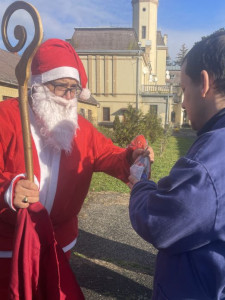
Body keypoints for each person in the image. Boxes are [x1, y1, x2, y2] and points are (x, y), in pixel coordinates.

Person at [128, 31, 225, 299]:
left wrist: (141, 186)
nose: (183, 103)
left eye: (184, 89)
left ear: (205, 83)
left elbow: (159, 223)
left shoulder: (212, 159)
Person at [0, 38, 152, 298]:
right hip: (11, 243)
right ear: (39, 84)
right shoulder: (7, 118)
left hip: (59, 241)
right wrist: (7, 190)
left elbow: (107, 154)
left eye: (75, 89)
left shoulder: (80, 128)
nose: (70, 98)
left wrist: (131, 157)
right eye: (62, 88)